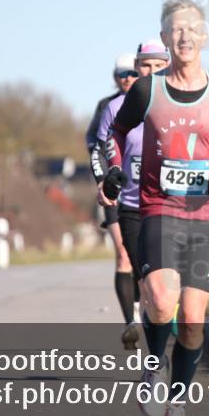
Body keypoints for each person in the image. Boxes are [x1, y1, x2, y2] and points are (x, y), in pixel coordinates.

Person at [100, 0, 209, 416]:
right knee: (162, 302)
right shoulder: (148, 91)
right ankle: (153, 368)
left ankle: (177, 408)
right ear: (166, 39)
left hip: (205, 217)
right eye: (175, 30)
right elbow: (115, 131)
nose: (184, 36)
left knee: (191, 321)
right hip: (159, 209)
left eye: (192, 29)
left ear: (204, 37)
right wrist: (113, 168)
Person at [95, 40, 170, 349]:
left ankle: (165, 322)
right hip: (126, 200)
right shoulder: (113, 107)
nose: (144, 73)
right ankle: (138, 328)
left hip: (168, 203)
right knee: (136, 269)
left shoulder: (176, 102)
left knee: (165, 282)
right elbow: (102, 147)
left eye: (156, 66)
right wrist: (107, 178)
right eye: (143, 67)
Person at [87, 54, 137, 340]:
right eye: (122, 74)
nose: (127, 78)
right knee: (123, 255)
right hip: (115, 190)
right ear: (115, 77)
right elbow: (94, 146)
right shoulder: (106, 106)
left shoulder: (153, 101)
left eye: (132, 72)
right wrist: (103, 182)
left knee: (144, 257)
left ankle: (145, 308)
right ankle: (130, 322)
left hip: (145, 190)